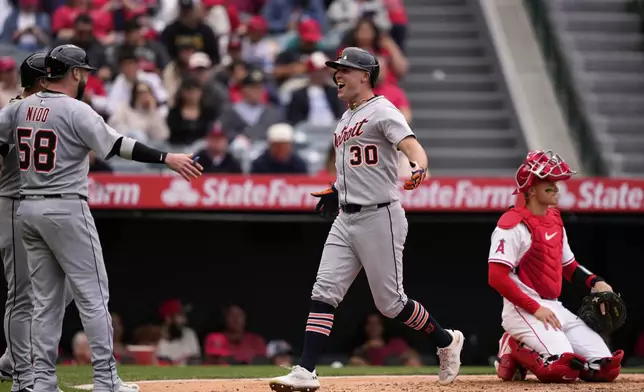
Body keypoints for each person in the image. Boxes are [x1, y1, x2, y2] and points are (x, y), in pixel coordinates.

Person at [0, 44, 203, 392]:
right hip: (65, 205)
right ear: (75, 73)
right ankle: (107, 379)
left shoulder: (19, 109)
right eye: (83, 73)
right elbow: (118, 145)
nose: (85, 78)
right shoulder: (77, 110)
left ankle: (41, 382)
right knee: (93, 296)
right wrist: (166, 157)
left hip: (27, 208)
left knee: (45, 302)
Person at [268, 47, 464, 392]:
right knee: (323, 291)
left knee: (391, 304)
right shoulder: (345, 118)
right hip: (347, 217)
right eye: (336, 69)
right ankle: (306, 370)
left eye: (344, 69)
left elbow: (411, 146)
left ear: (365, 75)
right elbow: (356, 167)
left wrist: (419, 166)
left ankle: (446, 340)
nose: (337, 75)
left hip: (380, 215)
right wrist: (335, 189)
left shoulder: (383, 109)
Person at [488, 150, 624, 383]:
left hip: (553, 306)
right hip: (523, 308)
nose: (556, 190)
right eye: (548, 187)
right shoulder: (511, 226)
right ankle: (512, 344)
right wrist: (535, 308)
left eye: (555, 185)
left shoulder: (554, 220)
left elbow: (569, 265)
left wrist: (596, 282)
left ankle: (523, 348)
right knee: (561, 369)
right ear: (531, 191)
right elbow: (496, 277)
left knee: (604, 368)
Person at [0, 52, 74, 392]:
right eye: (48, 76)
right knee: (22, 296)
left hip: (38, 206)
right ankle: (21, 377)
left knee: (68, 286)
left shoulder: (47, 110)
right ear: (40, 80)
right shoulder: (14, 111)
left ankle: (10, 361)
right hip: (13, 203)